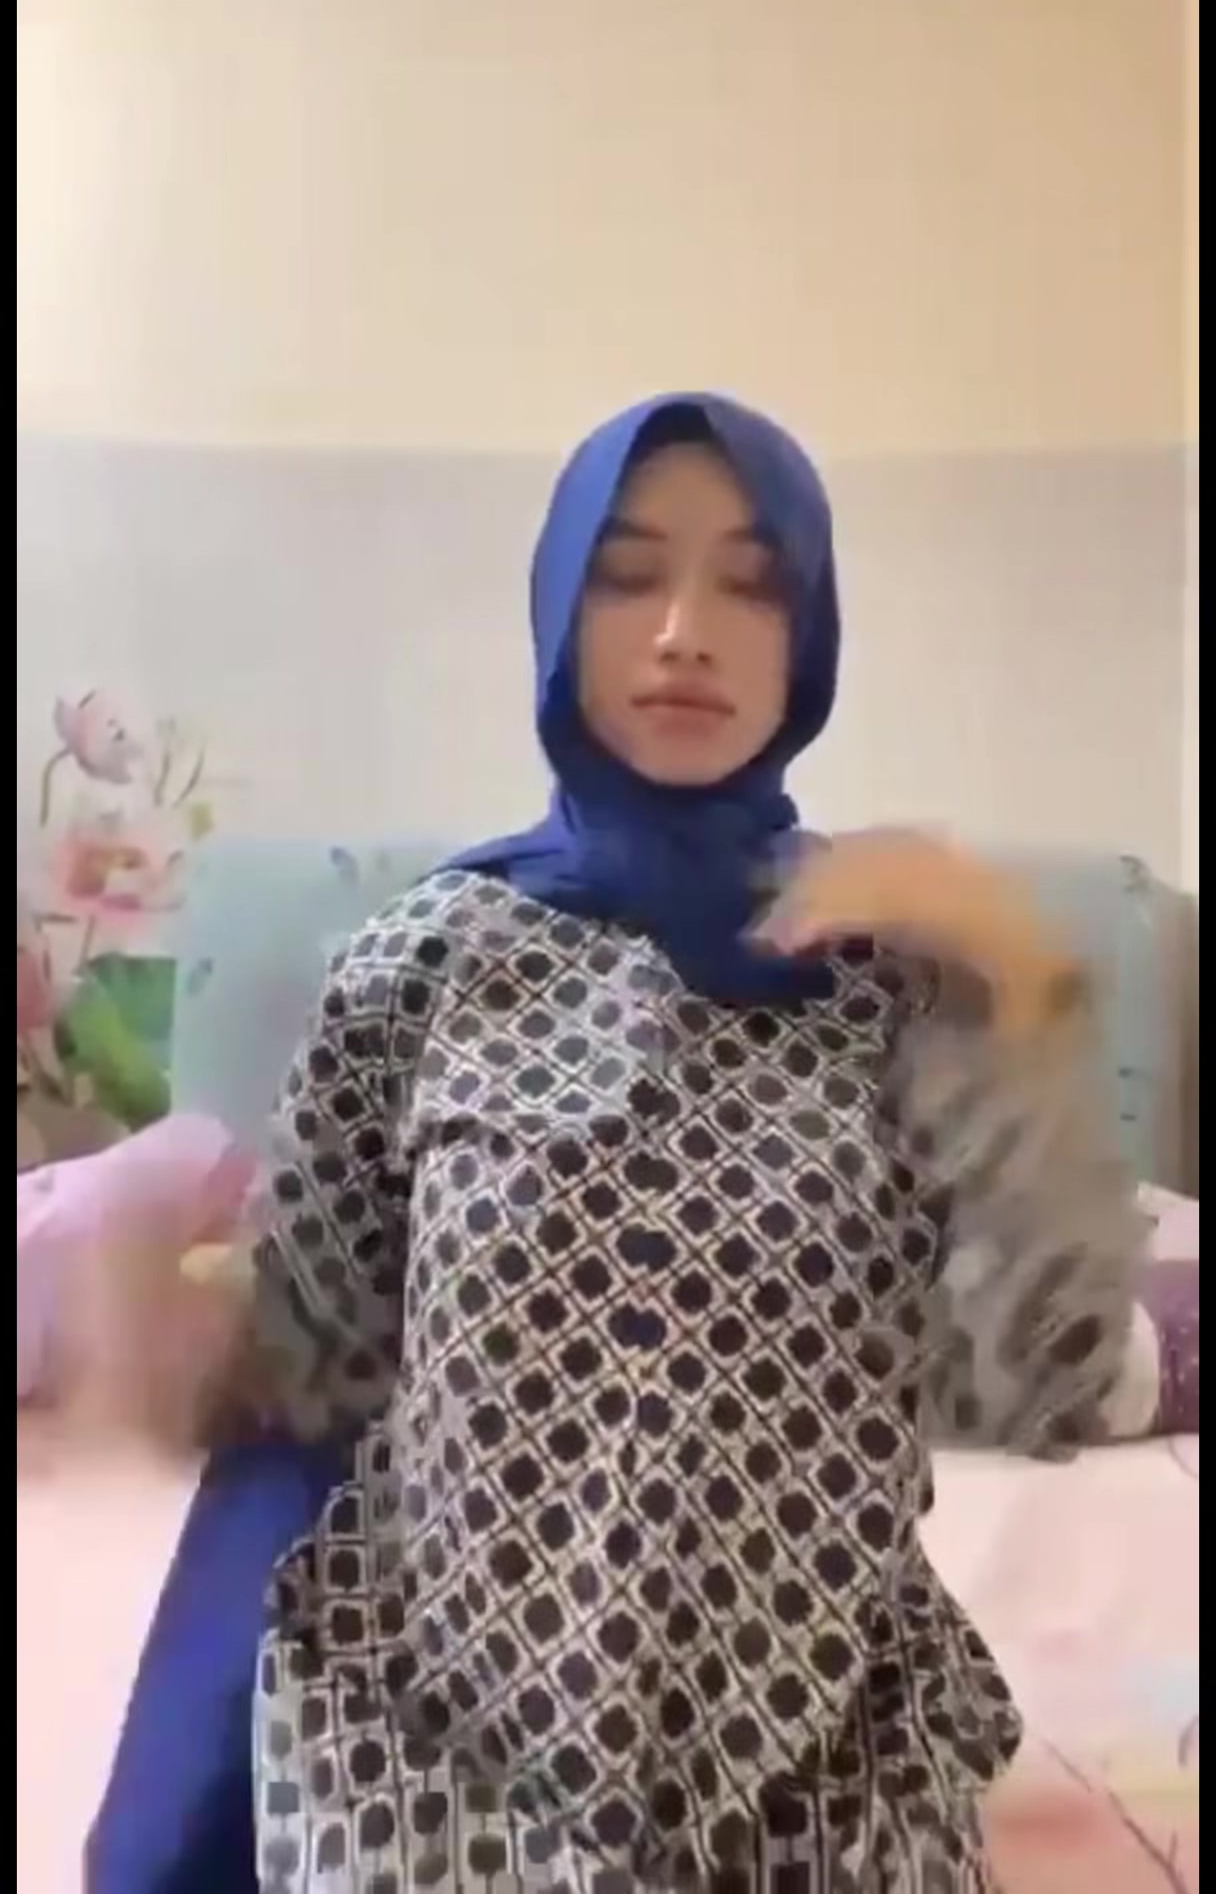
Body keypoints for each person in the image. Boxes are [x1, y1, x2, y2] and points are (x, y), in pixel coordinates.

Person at [87, 394, 1143, 1892]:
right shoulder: (417, 968)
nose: (685, 634)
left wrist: (1021, 980)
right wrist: (158, 1334)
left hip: (820, 1760)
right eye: (629, 575)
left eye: (751, 584)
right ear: (558, 614)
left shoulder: (903, 981)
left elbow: (1036, 1380)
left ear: (809, 633)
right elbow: (315, 1364)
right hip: (437, 1749)